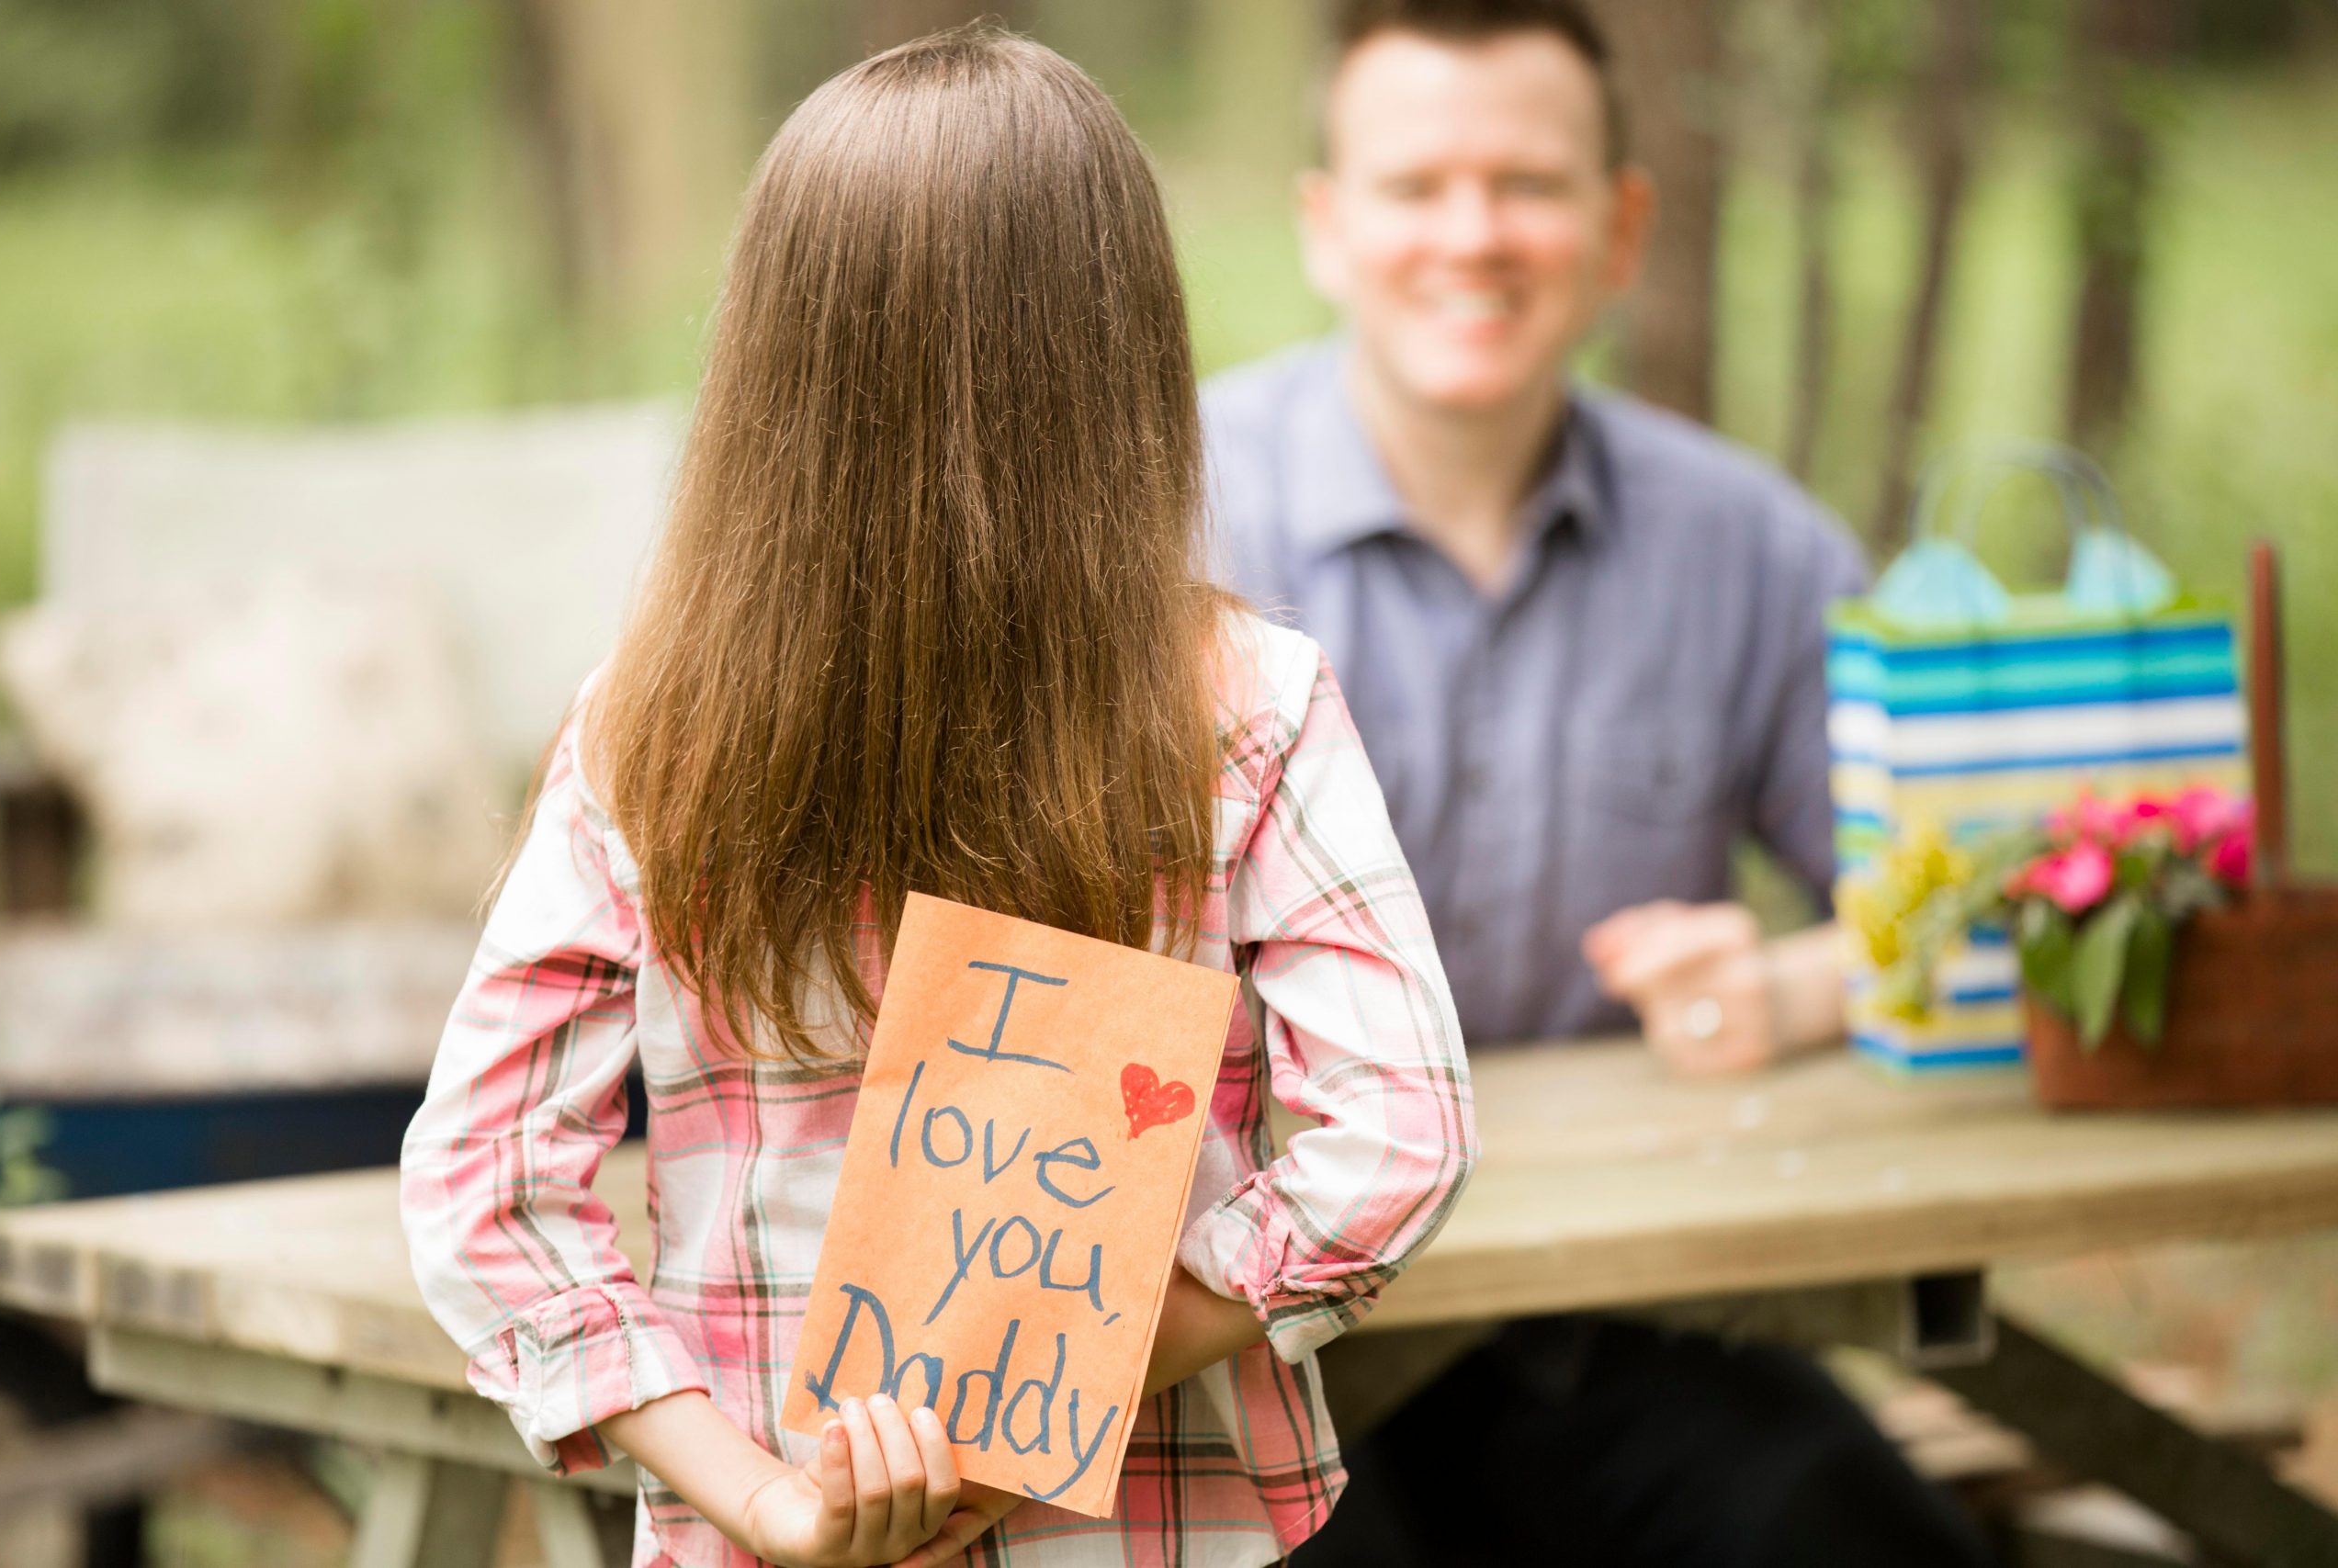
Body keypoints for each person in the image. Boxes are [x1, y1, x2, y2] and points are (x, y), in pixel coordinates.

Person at [399, 30, 1475, 1568]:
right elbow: (1403, 1135)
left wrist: (772, 1502)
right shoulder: (1248, 703)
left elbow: (481, 1189)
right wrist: (1059, 1389)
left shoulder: (648, 731)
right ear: (1121, 350)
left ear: (769, 360)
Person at [1203, 2, 1995, 1563]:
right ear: (1325, 224)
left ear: (1624, 227)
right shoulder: (1162, 530)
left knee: (1869, 1541)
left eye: (1529, 184)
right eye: (1416, 186)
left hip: (1629, 1323)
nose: (1473, 236)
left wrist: (1792, 986)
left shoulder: (1749, 549)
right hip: (1257, 1349)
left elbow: (1970, 899)